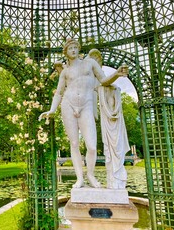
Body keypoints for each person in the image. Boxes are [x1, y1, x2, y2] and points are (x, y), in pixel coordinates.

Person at [39, 39, 128, 188]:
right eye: (70, 48)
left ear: (79, 49)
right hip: (68, 104)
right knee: (74, 144)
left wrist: (117, 74)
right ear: (66, 52)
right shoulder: (65, 71)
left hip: (86, 105)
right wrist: (52, 110)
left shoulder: (90, 64)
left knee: (91, 145)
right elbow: (59, 92)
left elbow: (104, 80)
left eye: (75, 47)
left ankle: (90, 175)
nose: (73, 50)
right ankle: (79, 178)